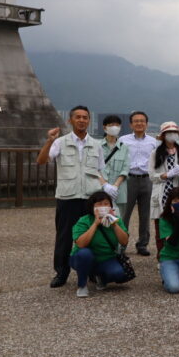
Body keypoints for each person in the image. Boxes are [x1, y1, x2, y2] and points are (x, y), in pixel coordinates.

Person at [36, 105, 107, 288]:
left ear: (89, 121)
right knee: (64, 236)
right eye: (78, 117)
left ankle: (91, 271)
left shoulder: (96, 145)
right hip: (68, 196)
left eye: (85, 117)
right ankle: (61, 272)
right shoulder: (60, 142)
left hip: (90, 197)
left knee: (93, 235)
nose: (82, 120)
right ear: (70, 120)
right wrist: (49, 141)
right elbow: (42, 161)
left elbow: (100, 171)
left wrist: (104, 194)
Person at [149, 121, 179, 258]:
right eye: (169, 132)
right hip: (162, 194)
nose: (172, 135)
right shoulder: (155, 153)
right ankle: (162, 256)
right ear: (163, 135)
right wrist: (166, 175)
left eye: (175, 132)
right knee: (160, 227)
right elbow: (152, 176)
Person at [69, 190, 131, 297]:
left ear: (111, 206)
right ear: (92, 207)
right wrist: (95, 224)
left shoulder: (116, 220)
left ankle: (100, 276)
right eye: (99, 204)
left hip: (106, 259)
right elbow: (81, 244)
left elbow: (124, 241)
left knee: (119, 274)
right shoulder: (84, 221)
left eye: (106, 204)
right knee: (85, 253)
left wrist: (114, 224)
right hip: (82, 258)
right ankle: (82, 285)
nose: (103, 207)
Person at [119, 111, 158, 256]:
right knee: (124, 213)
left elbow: (158, 161)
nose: (139, 123)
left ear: (146, 124)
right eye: (136, 121)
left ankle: (142, 244)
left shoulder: (153, 142)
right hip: (128, 179)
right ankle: (121, 245)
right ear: (131, 124)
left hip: (147, 179)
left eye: (142, 121)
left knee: (145, 214)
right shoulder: (123, 140)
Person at [100, 115, 129, 218]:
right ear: (104, 127)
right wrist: (105, 185)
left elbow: (125, 169)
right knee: (101, 219)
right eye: (111, 125)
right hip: (100, 190)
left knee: (118, 220)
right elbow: (93, 168)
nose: (114, 127)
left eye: (117, 125)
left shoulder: (124, 148)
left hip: (119, 192)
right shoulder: (97, 146)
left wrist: (115, 186)